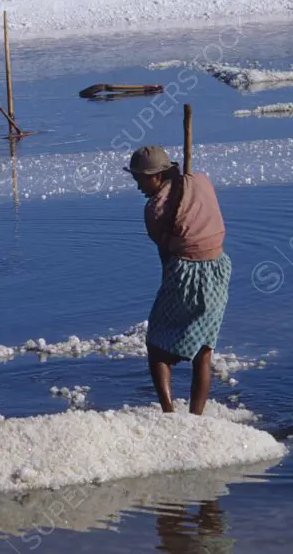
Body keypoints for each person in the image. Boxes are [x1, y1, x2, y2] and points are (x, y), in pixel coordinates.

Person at [125, 146, 230, 416]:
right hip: (219, 270)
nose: (138, 186)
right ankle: (196, 415)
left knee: (157, 345)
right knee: (204, 350)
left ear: (157, 177)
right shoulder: (200, 182)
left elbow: (167, 254)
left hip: (186, 273)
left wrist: (168, 283)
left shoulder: (155, 209)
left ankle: (169, 413)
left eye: (140, 179)